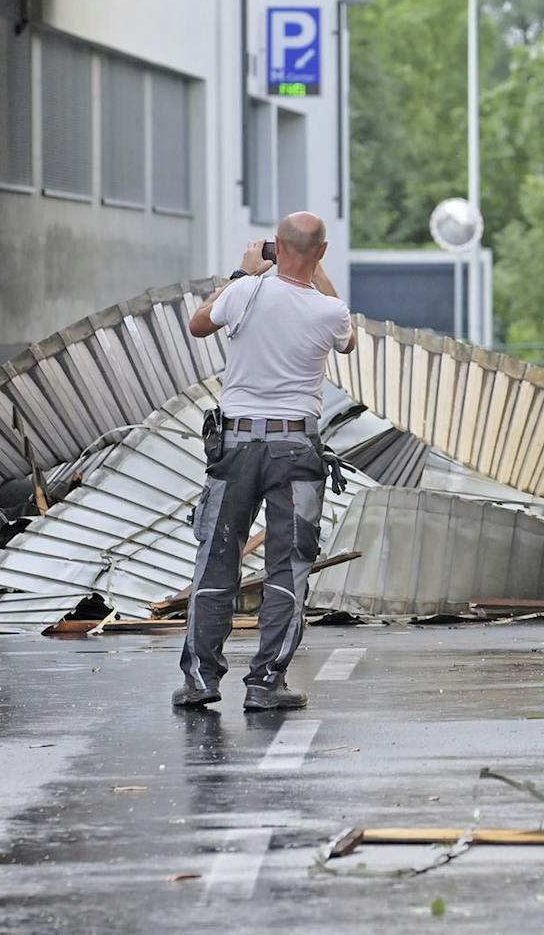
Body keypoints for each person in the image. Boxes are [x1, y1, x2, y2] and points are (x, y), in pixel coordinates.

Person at [175, 211, 356, 712]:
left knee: (216, 559)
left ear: (276, 245)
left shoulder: (245, 292)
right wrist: (312, 268)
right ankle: (266, 682)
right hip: (296, 451)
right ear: (321, 253)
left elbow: (197, 324)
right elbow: (349, 335)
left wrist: (246, 272)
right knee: (289, 565)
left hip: (234, 449)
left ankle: (200, 680)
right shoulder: (329, 313)